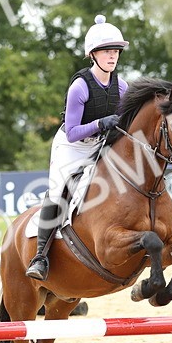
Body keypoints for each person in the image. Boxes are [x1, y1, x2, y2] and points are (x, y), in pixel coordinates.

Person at [25, 15, 129, 280]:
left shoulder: (123, 87)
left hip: (100, 145)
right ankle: (40, 257)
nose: (112, 56)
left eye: (115, 51)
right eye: (107, 51)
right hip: (72, 146)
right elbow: (72, 132)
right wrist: (101, 122)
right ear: (92, 54)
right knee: (60, 189)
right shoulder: (80, 87)